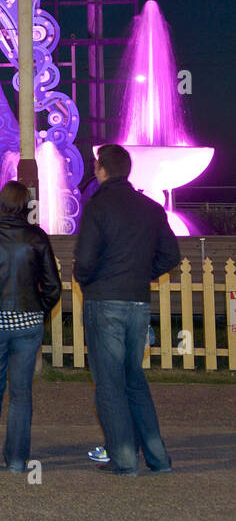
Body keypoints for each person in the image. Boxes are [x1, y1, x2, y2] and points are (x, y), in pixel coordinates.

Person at [73, 143, 180, 476]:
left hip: (104, 300)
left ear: (101, 170)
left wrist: (86, 278)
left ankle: (123, 458)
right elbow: (171, 256)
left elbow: (86, 261)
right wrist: (140, 275)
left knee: (109, 383)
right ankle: (158, 457)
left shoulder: (97, 207)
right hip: (137, 301)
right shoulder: (150, 208)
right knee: (134, 379)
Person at [0, 181, 62, 473]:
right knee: (21, 393)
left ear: (0, 203)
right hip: (27, 323)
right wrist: (39, 309)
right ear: (25, 205)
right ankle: (17, 461)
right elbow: (53, 286)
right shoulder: (37, 237)